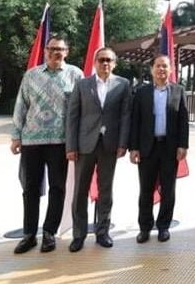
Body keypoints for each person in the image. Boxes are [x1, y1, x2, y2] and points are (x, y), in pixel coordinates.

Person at [11, 35, 84, 254]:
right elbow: (21, 106)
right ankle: (29, 234)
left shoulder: (76, 75)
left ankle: (49, 233)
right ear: (45, 51)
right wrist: (16, 136)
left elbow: (81, 109)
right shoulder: (31, 75)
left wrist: (77, 141)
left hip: (61, 142)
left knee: (58, 188)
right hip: (32, 141)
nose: (56, 52)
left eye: (60, 49)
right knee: (30, 188)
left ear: (67, 52)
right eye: (52, 48)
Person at [65, 47, 131, 252]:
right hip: (85, 145)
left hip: (109, 145)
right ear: (94, 62)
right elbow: (72, 117)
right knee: (80, 192)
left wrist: (122, 143)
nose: (105, 64)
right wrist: (71, 146)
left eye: (109, 60)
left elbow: (125, 117)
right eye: (101, 60)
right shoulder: (82, 84)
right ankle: (78, 234)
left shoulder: (123, 84)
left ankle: (102, 232)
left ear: (114, 63)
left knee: (105, 191)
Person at [129, 54, 189, 243]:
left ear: (171, 70)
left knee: (168, 189)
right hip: (148, 147)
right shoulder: (142, 92)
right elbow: (135, 121)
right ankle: (145, 227)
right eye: (158, 66)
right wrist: (134, 148)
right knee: (145, 189)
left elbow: (183, 121)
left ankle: (163, 226)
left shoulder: (178, 91)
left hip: (170, 148)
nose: (161, 69)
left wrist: (183, 145)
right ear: (152, 69)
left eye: (165, 66)